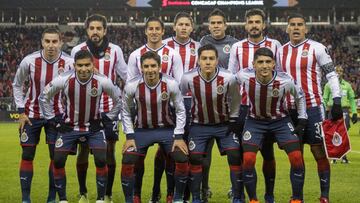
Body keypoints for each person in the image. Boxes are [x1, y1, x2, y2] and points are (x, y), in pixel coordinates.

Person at [40, 50, 122, 203]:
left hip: (93, 128)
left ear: (93, 65)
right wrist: (53, 120)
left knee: (101, 159)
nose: (83, 69)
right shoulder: (64, 79)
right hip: (70, 127)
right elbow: (44, 97)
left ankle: (100, 199)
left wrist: (106, 119)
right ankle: (63, 199)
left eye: (87, 65)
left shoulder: (103, 80)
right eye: (80, 65)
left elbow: (118, 100)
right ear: (74, 66)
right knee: (58, 160)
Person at [277, 13, 343, 203]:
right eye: (292, 25)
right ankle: (297, 197)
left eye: (300, 24)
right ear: (287, 28)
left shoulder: (317, 48)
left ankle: (324, 196)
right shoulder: (281, 51)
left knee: (318, 152)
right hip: (290, 110)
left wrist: (336, 99)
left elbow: (331, 75)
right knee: (296, 155)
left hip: (314, 107)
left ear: (306, 28)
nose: (296, 28)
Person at [236, 47, 306, 203]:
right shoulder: (243, 75)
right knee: (248, 159)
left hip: (281, 121)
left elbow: (300, 96)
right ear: (253, 64)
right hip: (255, 121)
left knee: (296, 157)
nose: (264, 65)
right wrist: (234, 115)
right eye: (260, 62)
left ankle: (296, 199)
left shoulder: (285, 80)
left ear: (274, 63)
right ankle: (253, 199)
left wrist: (302, 119)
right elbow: (230, 88)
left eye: (268, 62)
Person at [71, 14, 128, 203]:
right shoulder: (78, 50)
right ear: (87, 30)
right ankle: (83, 193)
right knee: (83, 149)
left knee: (109, 152)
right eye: (91, 28)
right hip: (85, 109)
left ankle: (107, 194)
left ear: (105, 30)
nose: (95, 32)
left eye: (98, 28)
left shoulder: (116, 50)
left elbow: (126, 76)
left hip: (109, 108)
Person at [12, 28, 73, 203]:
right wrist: (21, 112)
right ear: (42, 42)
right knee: (27, 155)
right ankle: (26, 199)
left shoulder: (69, 63)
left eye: (55, 41)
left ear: (61, 42)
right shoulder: (29, 61)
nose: (51, 45)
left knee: (56, 158)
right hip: (32, 116)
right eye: (47, 41)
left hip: (56, 117)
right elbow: (17, 85)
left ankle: (51, 198)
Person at [127, 16, 184, 202]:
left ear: (162, 31)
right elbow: (131, 85)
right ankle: (137, 194)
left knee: (170, 157)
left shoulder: (173, 54)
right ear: (145, 31)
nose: (153, 31)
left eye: (156, 28)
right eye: (150, 28)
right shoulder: (135, 55)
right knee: (137, 158)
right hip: (143, 116)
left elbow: (179, 83)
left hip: (167, 115)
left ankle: (168, 194)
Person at [228, 8, 282, 203]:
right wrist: (232, 111)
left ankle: (269, 194)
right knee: (242, 154)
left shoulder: (275, 45)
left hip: (269, 108)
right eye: (250, 22)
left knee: (268, 153)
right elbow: (232, 79)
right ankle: (240, 194)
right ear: (245, 25)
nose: (254, 25)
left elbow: (282, 75)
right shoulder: (237, 47)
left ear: (263, 24)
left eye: (257, 22)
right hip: (244, 108)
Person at [121, 51, 189, 203]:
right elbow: (125, 111)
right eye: (146, 66)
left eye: (153, 66)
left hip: (166, 129)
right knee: (128, 159)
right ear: (141, 68)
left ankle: (175, 197)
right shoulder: (132, 85)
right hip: (141, 130)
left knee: (181, 157)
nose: (150, 70)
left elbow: (180, 110)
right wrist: (130, 137)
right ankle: (132, 197)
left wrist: (178, 137)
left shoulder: (170, 83)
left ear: (159, 67)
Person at [180, 44, 243, 203]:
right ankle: (196, 198)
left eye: (211, 58)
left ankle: (237, 197)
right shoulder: (188, 78)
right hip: (198, 125)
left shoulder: (229, 78)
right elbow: (179, 100)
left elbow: (236, 99)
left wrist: (234, 119)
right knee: (195, 159)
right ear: (198, 61)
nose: (207, 62)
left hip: (223, 125)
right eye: (204, 58)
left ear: (217, 61)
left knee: (235, 155)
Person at [199, 9, 239, 201]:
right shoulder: (203, 42)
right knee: (204, 157)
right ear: (209, 25)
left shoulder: (234, 44)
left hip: (228, 106)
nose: (216, 26)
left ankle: (234, 189)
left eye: (219, 23)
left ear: (225, 25)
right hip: (206, 107)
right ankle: (204, 189)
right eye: (213, 23)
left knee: (234, 153)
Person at [323, 65, 358, 163]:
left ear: (343, 73)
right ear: (334, 72)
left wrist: (354, 112)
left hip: (344, 110)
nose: (339, 72)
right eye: (337, 71)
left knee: (344, 133)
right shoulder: (328, 85)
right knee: (332, 133)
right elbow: (325, 99)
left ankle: (344, 157)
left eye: (341, 71)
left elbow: (351, 99)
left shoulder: (347, 85)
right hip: (331, 110)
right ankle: (334, 157)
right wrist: (323, 112)